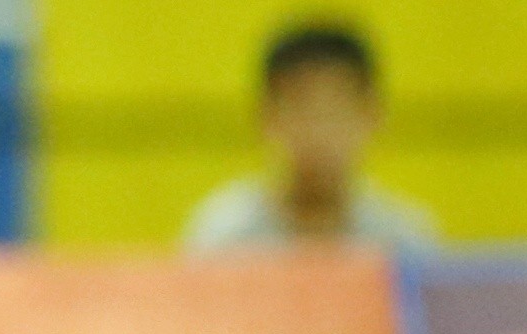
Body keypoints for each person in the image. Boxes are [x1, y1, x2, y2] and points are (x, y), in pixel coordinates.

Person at [183, 22, 441, 250]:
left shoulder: (404, 238)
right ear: (267, 115)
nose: (319, 130)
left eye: (336, 110)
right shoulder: (224, 235)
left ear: (372, 114)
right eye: (302, 108)